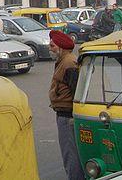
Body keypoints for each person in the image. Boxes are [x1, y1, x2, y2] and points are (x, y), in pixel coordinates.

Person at [48, 30, 84, 180]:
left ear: (61, 47)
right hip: (63, 114)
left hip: (68, 116)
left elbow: (76, 91)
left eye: (52, 46)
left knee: (71, 155)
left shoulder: (69, 63)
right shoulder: (63, 61)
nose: (50, 48)